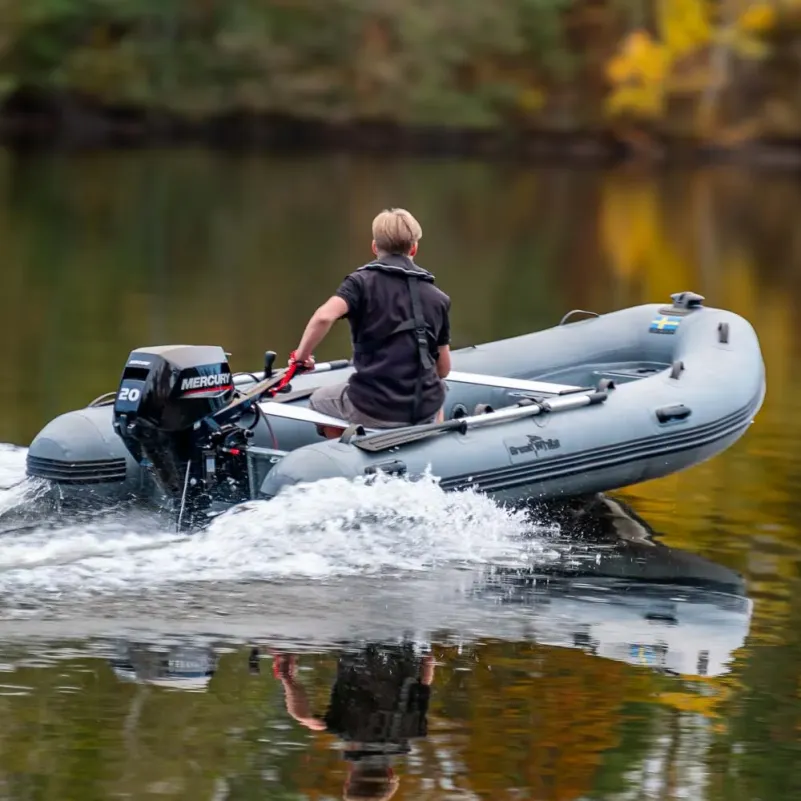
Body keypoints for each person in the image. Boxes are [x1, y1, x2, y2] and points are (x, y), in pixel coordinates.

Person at [289, 208, 452, 436]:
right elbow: (443, 369)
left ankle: (348, 456)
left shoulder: (359, 284)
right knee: (438, 388)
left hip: (374, 408)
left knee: (319, 400)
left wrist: (301, 357)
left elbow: (324, 316)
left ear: (375, 247)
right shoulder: (439, 298)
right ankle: (429, 444)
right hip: (422, 409)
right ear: (414, 247)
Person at [265, 643, 435, 801]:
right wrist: (287, 677)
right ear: (349, 777)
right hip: (354, 642)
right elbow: (301, 714)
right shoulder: (345, 728)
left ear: (390, 773)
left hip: (406, 644)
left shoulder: (412, 729)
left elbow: (427, 664)